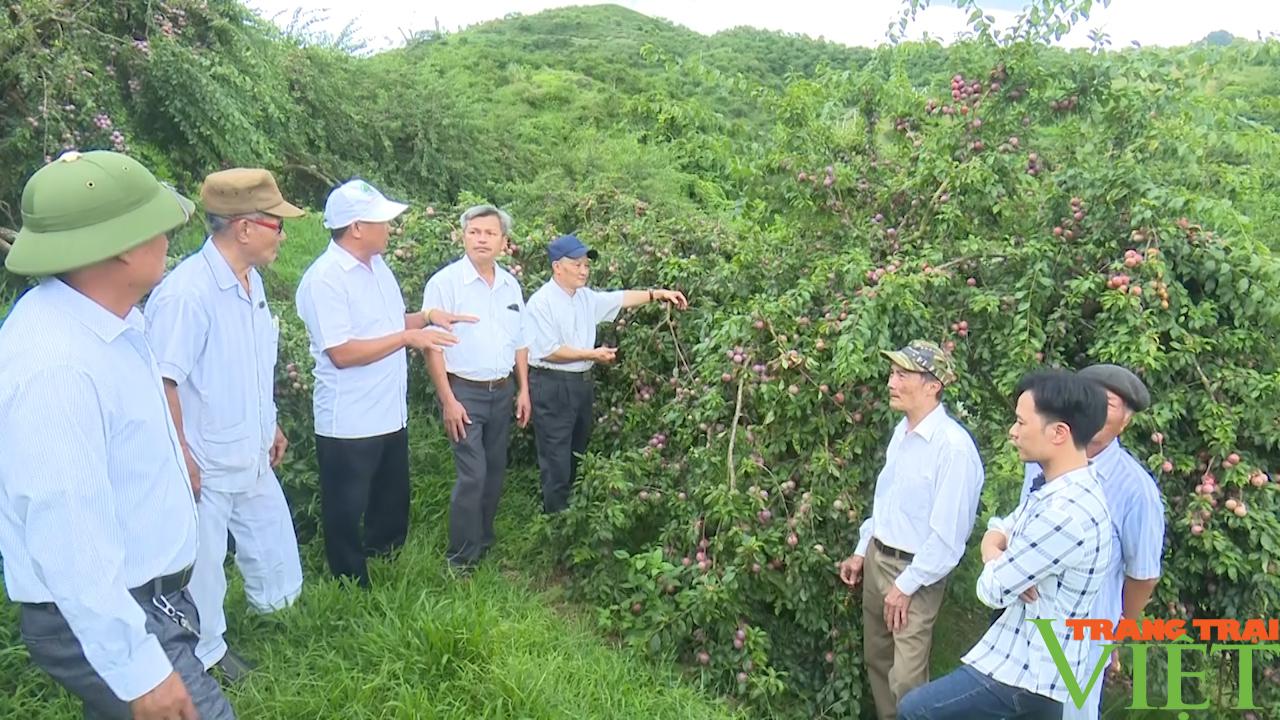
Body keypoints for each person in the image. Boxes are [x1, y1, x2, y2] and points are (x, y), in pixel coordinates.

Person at [0, 150, 234, 718]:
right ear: (124, 247)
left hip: (141, 601)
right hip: (109, 611)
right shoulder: (57, 363)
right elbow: (68, 530)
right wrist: (139, 669)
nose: (169, 238)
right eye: (157, 225)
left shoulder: (108, 320)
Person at [143, 168, 307, 682]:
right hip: (206, 460)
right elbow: (164, 382)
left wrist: (273, 425)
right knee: (204, 568)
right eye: (276, 224)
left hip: (252, 451)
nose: (283, 234)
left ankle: (277, 619)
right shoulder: (187, 294)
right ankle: (207, 654)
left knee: (274, 548)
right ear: (244, 228)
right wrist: (182, 458)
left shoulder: (251, 282)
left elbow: (251, 366)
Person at [897, 369, 1113, 720]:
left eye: (1020, 422)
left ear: (1059, 433)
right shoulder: (1059, 488)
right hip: (1023, 659)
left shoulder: (1065, 513)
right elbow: (1000, 527)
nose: (1013, 432)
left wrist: (999, 561)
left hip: (1027, 673)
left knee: (916, 711)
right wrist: (996, 550)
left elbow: (991, 589)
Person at [295, 178, 463, 588]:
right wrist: (408, 338)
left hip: (389, 410)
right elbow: (342, 352)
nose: (390, 229)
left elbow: (387, 325)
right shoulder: (326, 279)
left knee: (390, 496)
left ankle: (386, 556)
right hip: (349, 418)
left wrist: (424, 319)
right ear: (355, 227)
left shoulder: (378, 267)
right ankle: (350, 580)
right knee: (346, 505)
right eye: (382, 221)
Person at [837, 340, 985, 720]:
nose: (891, 382)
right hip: (878, 560)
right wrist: (861, 548)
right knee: (878, 660)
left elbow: (949, 538)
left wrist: (906, 586)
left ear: (932, 385)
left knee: (907, 678)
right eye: (892, 373)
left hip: (916, 575)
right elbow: (887, 501)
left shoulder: (953, 449)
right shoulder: (902, 432)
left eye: (902, 374)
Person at [1017, 364, 1165, 720]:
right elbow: (1021, 525)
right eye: (1090, 398)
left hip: (1079, 639)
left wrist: (1116, 632)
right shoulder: (1040, 460)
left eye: (1109, 404)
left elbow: (1143, 575)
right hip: (1023, 623)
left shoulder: (1135, 489)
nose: (1096, 408)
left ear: (1125, 422)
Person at [523, 234, 688, 513]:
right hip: (552, 385)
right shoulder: (541, 303)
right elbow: (548, 351)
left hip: (581, 383)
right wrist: (592, 354)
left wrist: (658, 294)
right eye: (577, 265)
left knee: (576, 448)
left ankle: (570, 514)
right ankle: (555, 520)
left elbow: (620, 298)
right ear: (557, 267)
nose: (584, 271)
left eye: (586, 265)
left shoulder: (585, 298)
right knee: (556, 456)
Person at [421, 204, 531, 571]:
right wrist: (448, 400)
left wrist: (523, 389)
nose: (481, 239)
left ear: (504, 241)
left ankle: (483, 540)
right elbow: (432, 346)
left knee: (496, 469)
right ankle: (460, 559)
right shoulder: (445, 283)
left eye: (490, 233)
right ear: (463, 236)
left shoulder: (510, 284)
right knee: (474, 474)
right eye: (474, 232)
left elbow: (520, 341)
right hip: (463, 392)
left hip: (501, 391)